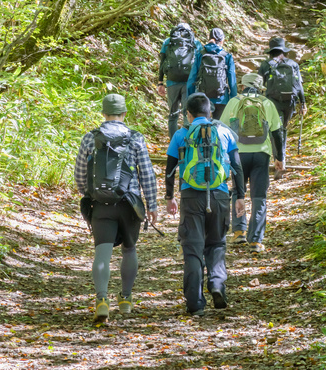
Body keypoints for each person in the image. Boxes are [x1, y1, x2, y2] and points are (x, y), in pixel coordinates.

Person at [75, 93, 159, 323]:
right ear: (124, 114)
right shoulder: (136, 138)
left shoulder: (89, 138)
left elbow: (80, 174)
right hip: (129, 204)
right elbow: (147, 173)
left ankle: (102, 300)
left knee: (102, 251)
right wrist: (152, 205)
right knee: (129, 250)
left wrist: (89, 194)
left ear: (103, 113)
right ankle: (125, 298)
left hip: (101, 204)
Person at [165, 93, 246, 316]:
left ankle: (195, 303)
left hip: (191, 196)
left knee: (192, 249)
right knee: (217, 243)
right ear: (210, 112)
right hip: (219, 195)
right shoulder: (224, 133)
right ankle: (217, 285)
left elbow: (170, 169)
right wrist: (240, 196)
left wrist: (169, 196)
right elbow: (237, 167)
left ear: (188, 115)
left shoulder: (181, 134)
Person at [222, 73, 282, 252]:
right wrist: (280, 158)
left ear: (242, 86)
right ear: (260, 87)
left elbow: (223, 127)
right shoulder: (267, 103)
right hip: (261, 155)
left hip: (238, 154)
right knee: (259, 196)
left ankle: (239, 231)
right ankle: (256, 240)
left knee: (237, 191)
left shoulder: (234, 102)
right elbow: (277, 132)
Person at [258, 36, 306, 180]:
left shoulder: (266, 65)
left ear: (271, 51)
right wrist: (303, 103)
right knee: (282, 129)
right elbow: (299, 86)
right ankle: (281, 160)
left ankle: (278, 160)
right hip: (290, 101)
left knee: (275, 131)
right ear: (283, 51)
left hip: (273, 101)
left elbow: (258, 85)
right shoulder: (293, 64)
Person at [157, 22, 204, 139]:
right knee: (187, 113)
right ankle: (187, 141)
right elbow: (200, 64)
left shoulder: (168, 42)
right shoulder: (195, 43)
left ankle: (173, 142)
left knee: (173, 114)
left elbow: (162, 63)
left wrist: (160, 83)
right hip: (189, 83)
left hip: (172, 82)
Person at [186, 28, 238, 121]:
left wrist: (190, 98)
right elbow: (232, 80)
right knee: (219, 125)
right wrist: (233, 99)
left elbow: (192, 78)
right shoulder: (227, 56)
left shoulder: (200, 54)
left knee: (203, 127)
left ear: (209, 38)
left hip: (202, 99)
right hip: (221, 98)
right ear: (222, 41)